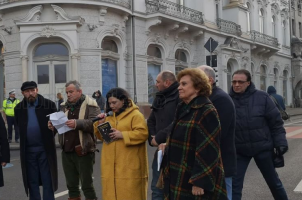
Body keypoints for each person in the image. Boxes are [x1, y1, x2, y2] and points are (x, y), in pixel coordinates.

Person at [156, 68, 227, 200]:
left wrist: (199, 181)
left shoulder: (206, 110)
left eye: (184, 84)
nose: (179, 88)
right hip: (179, 173)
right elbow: (183, 136)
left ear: (198, 88)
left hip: (193, 179)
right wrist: (168, 144)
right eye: (179, 84)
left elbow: (208, 149)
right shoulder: (183, 107)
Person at [229, 69, 288, 200]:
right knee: (235, 187)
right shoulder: (228, 100)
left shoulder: (262, 97)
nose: (236, 84)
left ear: (248, 83)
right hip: (239, 151)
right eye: (234, 81)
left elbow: (276, 123)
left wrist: (281, 143)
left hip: (262, 148)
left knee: (274, 183)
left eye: (240, 82)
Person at [93, 87, 149, 200]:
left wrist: (122, 135)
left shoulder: (135, 115)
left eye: (114, 102)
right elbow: (103, 138)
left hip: (129, 167)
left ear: (123, 100)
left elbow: (143, 133)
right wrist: (100, 124)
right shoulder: (108, 117)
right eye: (110, 103)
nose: (112, 106)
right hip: (110, 166)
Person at [49, 80, 100, 200]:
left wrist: (77, 123)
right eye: (67, 92)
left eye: (71, 92)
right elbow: (60, 125)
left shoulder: (91, 104)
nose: (68, 95)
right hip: (67, 151)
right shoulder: (64, 106)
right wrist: (53, 127)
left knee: (87, 186)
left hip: (83, 150)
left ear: (79, 91)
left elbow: (95, 124)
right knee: (71, 187)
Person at [14, 81, 58, 200]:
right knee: (32, 181)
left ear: (37, 90)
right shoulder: (19, 108)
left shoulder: (49, 105)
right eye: (27, 91)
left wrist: (53, 128)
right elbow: (19, 125)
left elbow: (57, 126)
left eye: (33, 90)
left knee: (47, 180)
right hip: (28, 151)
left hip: (45, 150)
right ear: (23, 93)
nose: (31, 93)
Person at [198, 65, 237, 200]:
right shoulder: (203, 98)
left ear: (210, 80)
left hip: (221, 162)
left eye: (197, 78)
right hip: (207, 163)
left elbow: (217, 134)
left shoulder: (220, 99)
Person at [147, 70, 179, 200]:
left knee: (173, 188)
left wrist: (159, 137)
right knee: (156, 187)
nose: (155, 85)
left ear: (167, 82)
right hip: (160, 150)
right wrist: (152, 139)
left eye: (158, 81)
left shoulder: (179, 97)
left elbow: (177, 122)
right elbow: (151, 120)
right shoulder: (160, 96)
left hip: (175, 149)